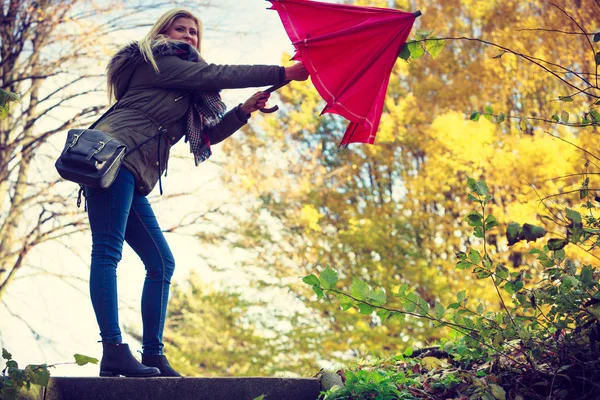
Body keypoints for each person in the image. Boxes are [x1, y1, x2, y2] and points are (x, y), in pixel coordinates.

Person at [85, 8, 309, 378]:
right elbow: (216, 73)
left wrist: (242, 110)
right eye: (181, 29)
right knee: (107, 252)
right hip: (112, 158)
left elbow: (204, 137)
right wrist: (283, 72)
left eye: (194, 33)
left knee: (161, 262)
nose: (189, 36)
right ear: (164, 31)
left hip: (134, 172)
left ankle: (153, 355)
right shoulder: (157, 62)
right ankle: (113, 350)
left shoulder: (185, 89)